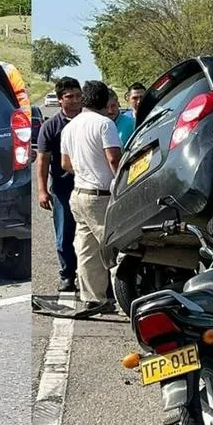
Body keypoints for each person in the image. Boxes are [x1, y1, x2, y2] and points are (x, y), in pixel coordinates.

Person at [60, 80, 122, 313]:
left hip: (79, 194)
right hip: (101, 196)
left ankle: (93, 299)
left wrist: (86, 169)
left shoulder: (70, 127)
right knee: (115, 247)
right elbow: (114, 158)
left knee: (87, 250)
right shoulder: (105, 124)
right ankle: (125, 299)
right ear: (105, 101)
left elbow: (66, 163)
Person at [36, 77, 82, 292]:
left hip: (89, 187)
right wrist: (42, 190)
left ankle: (89, 276)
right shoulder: (50, 126)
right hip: (63, 190)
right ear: (60, 99)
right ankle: (67, 275)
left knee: (88, 235)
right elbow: (42, 160)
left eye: (78, 96)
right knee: (65, 235)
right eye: (69, 96)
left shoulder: (88, 121)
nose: (74, 101)